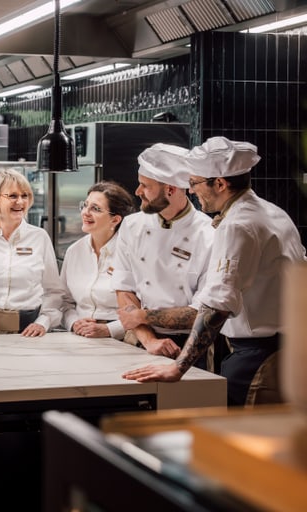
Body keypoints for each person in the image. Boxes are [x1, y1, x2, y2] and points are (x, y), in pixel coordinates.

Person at [123, 137, 307, 406]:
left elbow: (217, 305)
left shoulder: (237, 225)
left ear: (219, 183)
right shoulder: (272, 212)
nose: (193, 191)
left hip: (259, 357)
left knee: (244, 441)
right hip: (284, 350)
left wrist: (178, 368)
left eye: (195, 183)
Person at [112, 143, 215, 367]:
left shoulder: (209, 234)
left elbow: (203, 312)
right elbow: (124, 288)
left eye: (145, 186)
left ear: (170, 189)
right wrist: (149, 340)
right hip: (140, 340)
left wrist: (141, 315)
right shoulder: (132, 226)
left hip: (191, 347)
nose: (137, 191)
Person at [0, 168, 64, 336]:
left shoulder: (40, 237)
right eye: (12, 196)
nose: (20, 202)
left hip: (29, 332)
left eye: (25, 196)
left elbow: (53, 291)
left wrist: (43, 322)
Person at [60, 181, 135, 339]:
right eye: (85, 205)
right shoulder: (74, 251)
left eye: (95, 209)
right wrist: (74, 323)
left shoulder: (131, 254)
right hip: (79, 337)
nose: (85, 213)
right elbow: (64, 301)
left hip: (123, 339)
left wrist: (109, 329)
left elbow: (144, 309)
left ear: (115, 220)